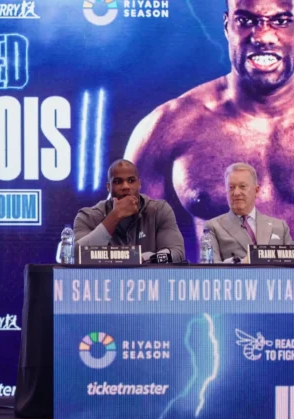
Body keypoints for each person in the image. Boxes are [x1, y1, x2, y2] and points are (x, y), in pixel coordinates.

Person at [125, 0, 294, 247]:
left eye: (281, 21)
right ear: (227, 27)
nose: (263, 36)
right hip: (216, 285)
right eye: (246, 21)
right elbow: (123, 247)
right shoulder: (169, 126)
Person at [73, 159, 185, 262]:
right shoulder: (88, 216)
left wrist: (142, 258)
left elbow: (177, 253)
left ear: (139, 184)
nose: (125, 186)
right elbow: (78, 256)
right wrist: (115, 216)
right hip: (104, 282)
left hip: (147, 281)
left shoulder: (159, 211)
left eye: (131, 181)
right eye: (118, 182)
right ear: (108, 187)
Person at [206, 163, 293, 262]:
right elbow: (209, 269)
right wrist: (243, 263)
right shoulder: (212, 227)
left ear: (256, 190)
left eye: (242, 187)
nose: (236, 193)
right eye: (231, 187)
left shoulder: (280, 227)